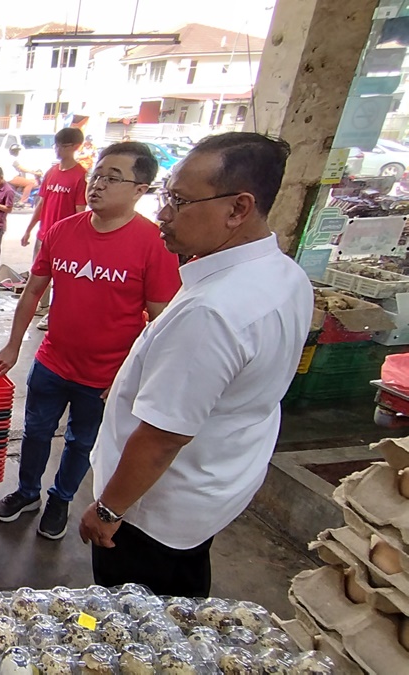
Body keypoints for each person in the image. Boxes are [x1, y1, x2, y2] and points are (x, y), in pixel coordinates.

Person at [78, 133, 313, 597]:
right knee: (182, 593)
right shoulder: (284, 274)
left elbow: (163, 438)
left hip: (154, 512)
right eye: (167, 195)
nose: (163, 213)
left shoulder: (213, 311)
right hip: (216, 485)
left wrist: (107, 510)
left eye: (180, 201)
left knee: (138, 620)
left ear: (238, 208)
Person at [0, 142, 181, 541]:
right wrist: (13, 344)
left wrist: (133, 375)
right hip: (52, 361)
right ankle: (27, 492)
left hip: (104, 375)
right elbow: (32, 292)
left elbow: (162, 321)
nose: (97, 186)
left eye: (113, 178)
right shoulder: (62, 232)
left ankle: (60, 499)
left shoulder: (154, 244)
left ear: (140, 189)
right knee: (36, 432)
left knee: (81, 441)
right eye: (97, 176)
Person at [21, 127, 89, 330]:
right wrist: (29, 229)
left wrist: (78, 239)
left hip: (65, 238)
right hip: (44, 235)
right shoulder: (51, 172)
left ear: (76, 147)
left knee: (61, 278)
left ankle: (54, 313)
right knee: (39, 274)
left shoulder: (80, 176)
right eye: (57, 145)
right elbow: (41, 203)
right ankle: (41, 307)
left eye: (63, 146)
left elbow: (80, 210)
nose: (58, 150)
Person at [7, 145, 40, 209]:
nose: (17, 152)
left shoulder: (10, 158)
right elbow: (21, 169)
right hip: (11, 177)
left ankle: (20, 197)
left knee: (31, 181)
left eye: (17, 151)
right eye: (16, 151)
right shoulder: (12, 159)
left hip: (12, 177)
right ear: (12, 152)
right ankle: (23, 201)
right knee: (30, 183)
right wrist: (34, 172)